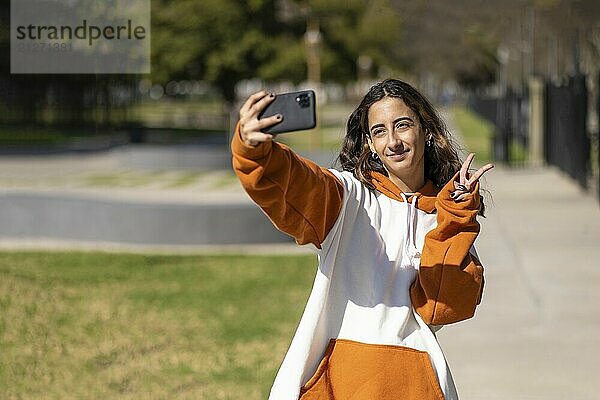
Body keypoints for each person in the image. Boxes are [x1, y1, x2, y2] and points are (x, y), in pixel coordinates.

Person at [231, 78, 493, 400]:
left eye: (402, 125)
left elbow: (442, 309)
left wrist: (454, 221)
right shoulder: (348, 198)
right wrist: (256, 153)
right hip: (337, 385)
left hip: (414, 387)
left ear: (425, 130)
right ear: (368, 142)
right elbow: (297, 184)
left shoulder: (449, 219)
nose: (393, 141)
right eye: (379, 131)